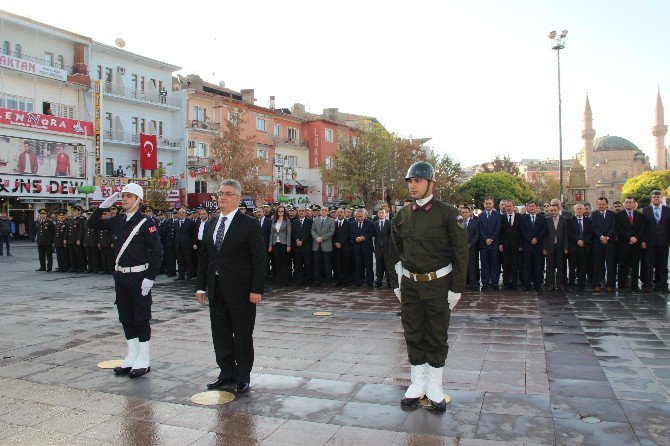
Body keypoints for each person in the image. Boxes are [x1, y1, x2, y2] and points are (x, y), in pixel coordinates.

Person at [389, 161, 467, 412]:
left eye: (418, 181)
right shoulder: (402, 214)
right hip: (411, 284)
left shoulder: (447, 213)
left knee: (436, 334)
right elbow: (394, 250)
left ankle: (434, 387)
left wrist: (456, 288)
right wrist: (397, 282)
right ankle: (417, 384)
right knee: (412, 332)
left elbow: (460, 253)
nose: (413, 186)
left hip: (438, 284)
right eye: (410, 181)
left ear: (431, 184)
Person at [196, 179, 267, 394]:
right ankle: (225, 372)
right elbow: (205, 257)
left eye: (227, 193)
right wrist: (201, 287)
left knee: (242, 334)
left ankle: (242, 375)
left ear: (237, 197)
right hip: (216, 288)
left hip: (242, 291)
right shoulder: (211, 223)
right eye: (219, 193)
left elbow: (260, 259)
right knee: (220, 333)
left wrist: (257, 289)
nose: (222, 197)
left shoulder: (249, 224)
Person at [87, 183, 163, 377]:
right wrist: (105, 204)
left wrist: (150, 278)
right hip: (121, 276)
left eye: (129, 196)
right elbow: (92, 223)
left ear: (138, 200)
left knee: (141, 317)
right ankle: (132, 355)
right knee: (126, 316)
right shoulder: (118, 220)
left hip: (139, 276)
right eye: (123, 196)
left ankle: (143, 359)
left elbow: (157, 252)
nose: (124, 199)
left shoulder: (146, 222)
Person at [641, 190, 670, 293]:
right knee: (649, 264)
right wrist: (643, 240)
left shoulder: (667, 210)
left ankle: (663, 285)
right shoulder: (646, 210)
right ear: (651, 199)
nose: (656, 199)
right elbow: (643, 227)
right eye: (654, 197)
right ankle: (648, 284)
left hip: (663, 241)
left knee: (663, 264)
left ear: (660, 198)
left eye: (658, 197)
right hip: (650, 242)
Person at [615, 196, 643, 292]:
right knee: (622, 265)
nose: (628, 204)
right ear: (624, 204)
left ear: (634, 203)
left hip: (635, 244)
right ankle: (622, 286)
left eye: (630, 202)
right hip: (623, 244)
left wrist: (636, 238)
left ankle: (635, 286)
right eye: (626, 202)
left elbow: (641, 229)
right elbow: (618, 229)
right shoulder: (618, 215)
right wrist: (629, 237)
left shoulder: (639, 215)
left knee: (635, 266)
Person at [591, 197, 616, 292]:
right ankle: (596, 284)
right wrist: (601, 237)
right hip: (598, 243)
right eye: (599, 204)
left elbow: (613, 227)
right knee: (597, 265)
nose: (601, 206)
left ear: (606, 204)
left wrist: (607, 237)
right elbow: (593, 227)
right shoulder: (594, 214)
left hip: (609, 243)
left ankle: (609, 285)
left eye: (603, 204)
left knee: (610, 265)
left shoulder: (612, 214)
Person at [520, 201, 546, 292]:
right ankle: (527, 285)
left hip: (538, 246)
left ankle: (537, 284)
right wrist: (530, 239)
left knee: (538, 266)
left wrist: (536, 238)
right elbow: (522, 231)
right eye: (529, 206)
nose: (531, 208)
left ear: (536, 207)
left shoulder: (542, 218)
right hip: (527, 246)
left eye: (533, 206)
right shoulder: (523, 218)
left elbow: (544, 230)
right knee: (527, 266)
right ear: (527, 208)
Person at [566, 203, 592, 292]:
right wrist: (578, 240)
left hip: (584, 247)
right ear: (574, 210)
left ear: (584, 210)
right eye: (577, 209)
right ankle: (571, 285)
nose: (579, 210)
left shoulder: (588, 221)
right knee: (572, 267)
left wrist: (583, 241)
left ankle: (582, 285)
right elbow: (569, 233)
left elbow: (590, 233)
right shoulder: (570, 220)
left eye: (581, 208)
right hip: (573, 247)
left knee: (582, 267)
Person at [478, 197, 501, 291]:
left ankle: (495, 283)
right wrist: (486, 239)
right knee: (484, 265)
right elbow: (480, 229)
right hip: (484, 245)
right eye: (486, 203)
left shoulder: (498, 215)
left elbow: (498, 228)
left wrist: (491, 238)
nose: (488, 205)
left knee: (495, 265)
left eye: (490, 203)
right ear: (484, 204)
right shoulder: (480, 215)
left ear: (493, 204)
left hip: (494, 244)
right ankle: (485, 283)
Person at [544, 204, 568, 291]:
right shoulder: (547, 220)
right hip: (550, 246)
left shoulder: (564, 220)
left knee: (560, 266)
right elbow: (545, 235)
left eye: (555, 210)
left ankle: (560, 284)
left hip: (560, 247)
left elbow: (566, 235)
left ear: (559, 210)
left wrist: (566, 247)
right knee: (550, 267)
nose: (553, 212)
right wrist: (544, 247)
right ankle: (550, 284)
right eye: (552, 210)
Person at [499, 199, 521, 290]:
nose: (508, 208)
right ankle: (506, 283)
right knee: (506, 265)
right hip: (505, 246)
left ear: (513, 207)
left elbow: (521, 231)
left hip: (516, 246)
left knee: (515, 265)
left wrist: (521, 244)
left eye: (509, 206)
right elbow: (500, 231)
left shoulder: (519, 217)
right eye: (506, 206)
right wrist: (500, 243)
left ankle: (515, 284)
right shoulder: (502, 217)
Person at [311, 205, 335, 287]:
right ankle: (317, 281)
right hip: (316, 245)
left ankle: (328, 281)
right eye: (322, 210)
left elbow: (331, 232)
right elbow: (312, 230)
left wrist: (322, 238)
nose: (323, 211)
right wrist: (317, 238)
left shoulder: (331, 220)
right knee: (316, 264)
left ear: (328, 212)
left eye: (325, 210)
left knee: (327, 264)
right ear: (320, 211)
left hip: (327, 245)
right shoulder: (315, 220)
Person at [268, 205, 292, 286]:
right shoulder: (273, 220)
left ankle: (284, 281)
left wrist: (288, 245)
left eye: (282, 211)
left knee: (284, 263)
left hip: (284, 243)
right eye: (279, 211)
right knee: (277, 262)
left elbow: (289, 234)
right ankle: (279, 280)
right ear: (277, 212)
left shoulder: (287, 221)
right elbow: (271, 233)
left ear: (284, 212)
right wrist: (270, 245)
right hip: (275, 243)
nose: (280, 212)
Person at [350, 208, 374, 287]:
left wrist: (364, 238)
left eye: (361, 216)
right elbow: (350, 235)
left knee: (368, 265)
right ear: (355, 216)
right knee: (358, 265)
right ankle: (359, 281)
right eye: (358, 216)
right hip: (357, 248)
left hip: (367, 248)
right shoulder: (352, 224)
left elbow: (371, 233)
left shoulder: (370, 223)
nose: (359, 218)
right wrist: (355, 239)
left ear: (365, 215)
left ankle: (369, 282)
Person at [291, 207, 313, 286]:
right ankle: (299, 280)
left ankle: (309, 280)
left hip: (306, 246)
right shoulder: (294, 222)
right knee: (298, 264)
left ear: (305, 212)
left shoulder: (310, 221)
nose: (301, 212)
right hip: (297, 247)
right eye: (299, 211)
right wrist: (297, 240)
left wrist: (302, 241)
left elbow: (309, 233)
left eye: (302, 211)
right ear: (297, 212)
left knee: (308, 264)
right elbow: (293, 233)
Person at [373, 208, 392, 287]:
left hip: (387, 247)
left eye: (382, 213)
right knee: (379, 264)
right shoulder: (374, 223)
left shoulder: (389, 223)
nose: (381, 214)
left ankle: (389, 281)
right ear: (377, 214)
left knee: (388, 265)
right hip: (378, 247)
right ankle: (379, 281)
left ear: (385, 214)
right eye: (380, 213)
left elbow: (391, 236)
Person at [462, 206, 480, 291]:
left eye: (466, 212)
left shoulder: (475, 222)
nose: (464, 214)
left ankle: (473, 283)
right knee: (463, 266)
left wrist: (470, 244)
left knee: (472, 266)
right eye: (463, 212)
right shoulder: (459, 222)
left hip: (472, 248)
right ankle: (464, 282)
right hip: (461, 248)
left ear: (470, 213)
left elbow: (476, 236)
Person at [174, 208, 195, 280]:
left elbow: (193, 234)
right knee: (180, 261)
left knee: (189, 260)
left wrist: (193, 243)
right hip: (178, 245)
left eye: (183, 212)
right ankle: (181, 275)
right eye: (180, 212)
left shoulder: (190, 222)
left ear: (186, 214)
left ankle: (189, 275)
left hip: (187, 245)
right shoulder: (176, 222)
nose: (181, 214)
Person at [333, 207, 352, 286]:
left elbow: (347, 234)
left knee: (346, 264)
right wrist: (335, 243)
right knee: (338, 264)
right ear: (337, 214)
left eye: (341, 212)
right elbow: (332, 235)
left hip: (345, 247)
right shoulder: (333, 223)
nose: (340, 213)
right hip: (336, 247)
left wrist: (341, 243)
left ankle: (346, 280)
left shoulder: (348, 223)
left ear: (344, 213)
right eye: (338, 212)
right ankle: (339, 280)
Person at [65, 206, 86, 272]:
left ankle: (81, 267)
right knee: (72, 255)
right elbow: (67, 230)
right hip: (70, 240)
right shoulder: (69, 220)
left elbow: (80, 230)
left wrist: (79, 239)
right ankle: (74, 267)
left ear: (77, 212)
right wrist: (65, 238)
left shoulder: (80, 219)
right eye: (71, 211)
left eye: (73, 211)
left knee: (78, 255)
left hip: (76, 240)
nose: (72, 213)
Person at [97, 209, 114, 274]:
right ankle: (105, 269)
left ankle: (110, 269)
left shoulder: (111, 222)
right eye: (103, 214)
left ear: (109, 214)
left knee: (109, 257)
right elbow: (98, 233)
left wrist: (112, 242)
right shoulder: (101, 222)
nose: (104, 216)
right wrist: (98, 241)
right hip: (102, 242)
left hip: (108, 242)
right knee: (103, 257)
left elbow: (113, 233)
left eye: (105, 214)